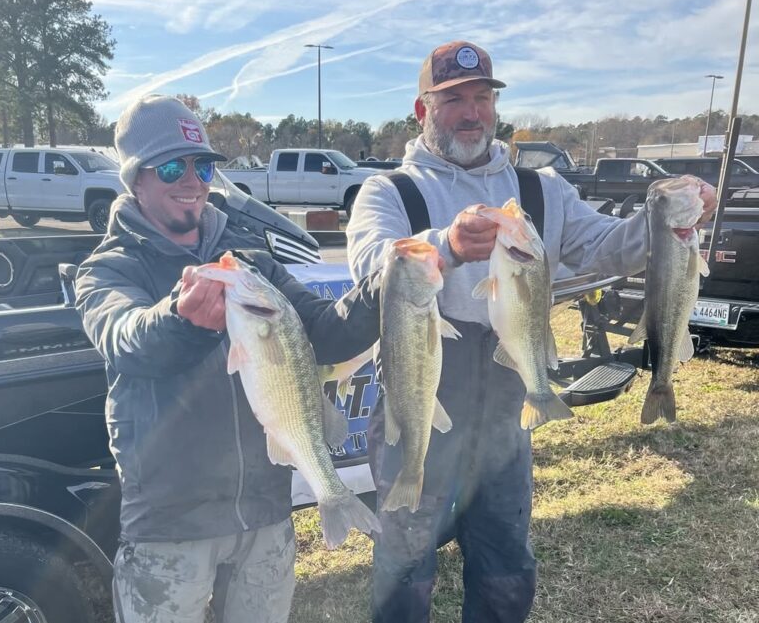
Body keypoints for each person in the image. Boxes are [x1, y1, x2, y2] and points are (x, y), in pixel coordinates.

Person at [346, 40, 717, 623]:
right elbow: (372, 265)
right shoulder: (389, 191)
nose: (472, 113)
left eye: (482, 98)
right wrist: (445, 246)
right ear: (422, 111)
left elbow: (604, 247)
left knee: (505, 563)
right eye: (453, 100)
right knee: (405, 565)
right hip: (421, 394)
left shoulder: (543, 188)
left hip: (506, 401)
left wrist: (672, 214)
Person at [75, 94, 381, 623]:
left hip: (265, 514)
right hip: (171, 525)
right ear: (135, 179)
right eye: (171, 167)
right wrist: (182, 319)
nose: (192, 180)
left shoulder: (250, 261)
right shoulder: (107, 270)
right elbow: (128, 340)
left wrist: (386, 286)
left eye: (203, 165)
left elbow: (325, 331)